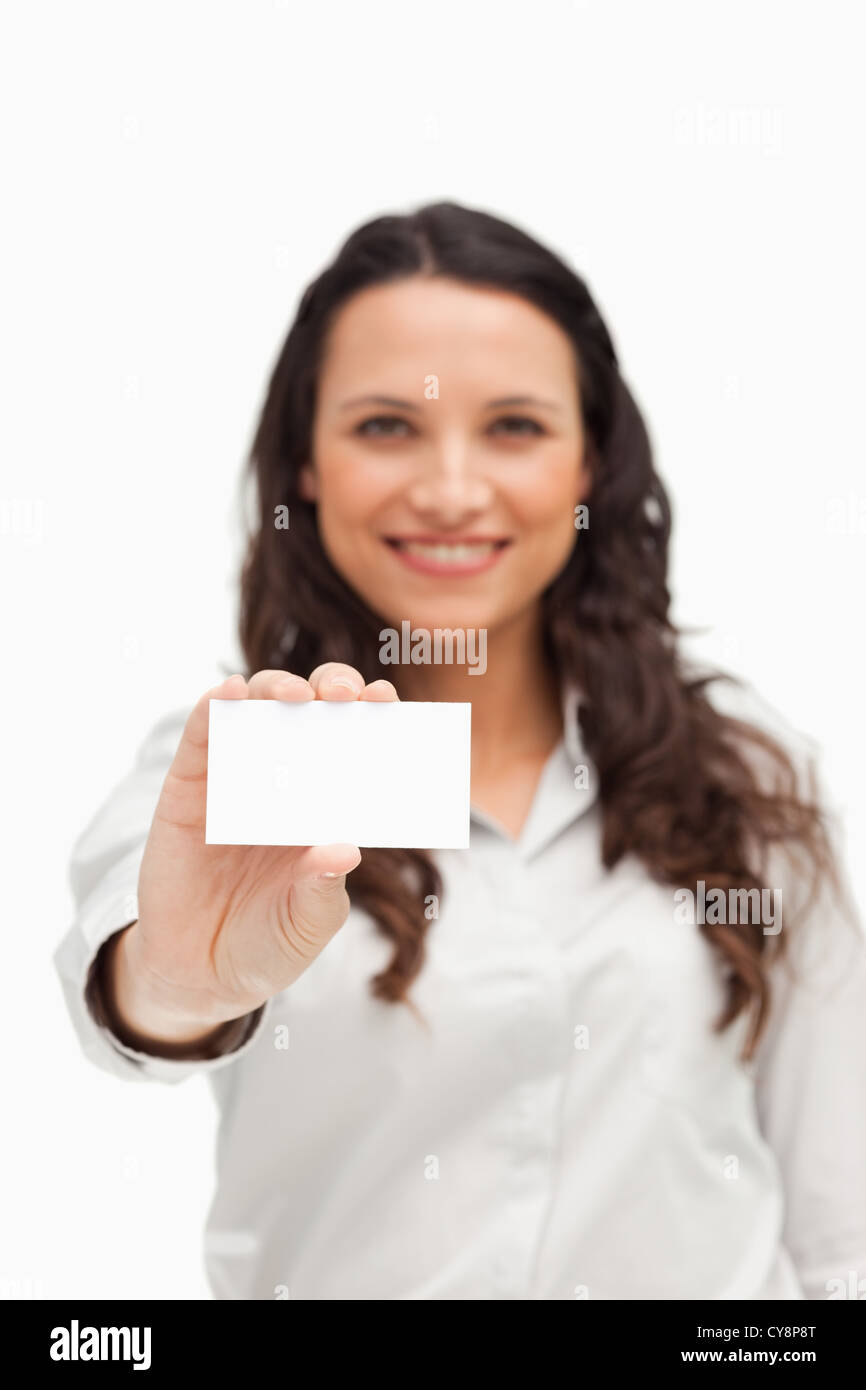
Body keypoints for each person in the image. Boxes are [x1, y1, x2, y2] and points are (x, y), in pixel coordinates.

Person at [55, 202, 866, 1301]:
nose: (447, 488)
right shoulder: (229, 768)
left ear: (590, 464)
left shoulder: (748, 780)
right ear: (307, 464)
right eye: (386, 425)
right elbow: (136, 992)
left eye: (514, 427)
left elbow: (838, 1226)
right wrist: (178, 979)